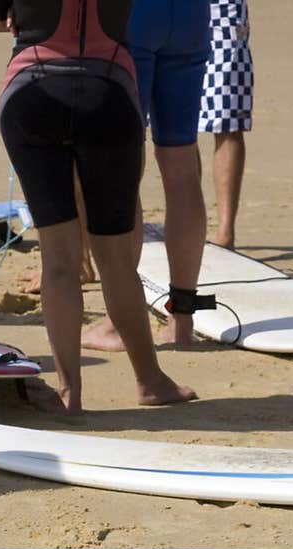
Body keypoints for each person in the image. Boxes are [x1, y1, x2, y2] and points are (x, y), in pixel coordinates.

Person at [0, 0, 196, 415]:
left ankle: (70, 390)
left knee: (58, 259)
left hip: (32, 92)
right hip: (109, 93)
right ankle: (150, 380)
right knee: (116, 260)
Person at [82, 0, 212, 352]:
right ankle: (182, 321)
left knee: (124, 170)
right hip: (190, 16)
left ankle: (117, 323)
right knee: (182, 166)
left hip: (132, 17)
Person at [199, 0, 253, 248]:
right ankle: (189, 225)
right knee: (176, 128)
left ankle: (225, 233)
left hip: (221, 9)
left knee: (228, 119)